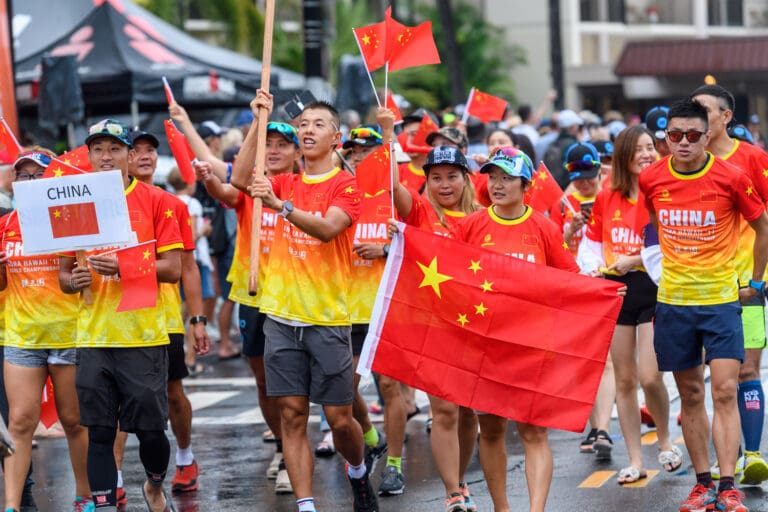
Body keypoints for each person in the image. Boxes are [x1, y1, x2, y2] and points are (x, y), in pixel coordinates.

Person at [231, 90, 376, 512]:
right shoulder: (283, 180)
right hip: (280, 317)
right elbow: (240, 180)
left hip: (328, 319)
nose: (307, 130)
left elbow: (329, 229)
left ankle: (358, 471)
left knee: (339, 419)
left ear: (336, 137)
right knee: (292, 415)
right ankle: (307, 505)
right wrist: (259, 121)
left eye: (317, 125)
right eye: (302, 125)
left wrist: (281, 206)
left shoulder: (347, 187)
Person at [639, 99, 768, 512]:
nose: (682, 143)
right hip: (674, 304)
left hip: (721, 302)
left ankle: (728, 485)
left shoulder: (732, 177)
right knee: (691, 394)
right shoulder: (652, 178)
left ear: (707, 135)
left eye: (692, 135)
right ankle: (702, 485)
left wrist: (755, 282)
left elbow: (762, 227)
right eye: (673, 135)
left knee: (727, 390)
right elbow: (655, 224)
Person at [59, 119, 185, 511]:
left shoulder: (157, 201)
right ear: (89, 155)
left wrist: (124, 267)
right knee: (97, 431)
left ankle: (153, 483)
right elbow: (64, 275)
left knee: (151, 432)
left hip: (142, 336)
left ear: (131, 156)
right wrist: (73, 278)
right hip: (94, 338)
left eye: (114, 149)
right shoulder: (76, 203)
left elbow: (174, 268)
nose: (105, 157)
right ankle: (103, 502)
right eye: (97, 149)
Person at [450, 146, 582, 512]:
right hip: (485, 346)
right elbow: (451, 276)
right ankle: (502, 508)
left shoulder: (543, 226)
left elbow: (568, 277)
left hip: (533, 347)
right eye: (492, 176)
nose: (497, 184)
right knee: (491, 431)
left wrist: (599, 293)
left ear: (525, 184)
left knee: (533, 431)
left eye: (507, 177)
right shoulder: (471, 226)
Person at [198, 117, 304, 496]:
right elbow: (227, 189)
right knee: (263, 380)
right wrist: (258, 120)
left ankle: (296, 453)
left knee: (293, 382)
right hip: (253, 296)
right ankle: (281, 446)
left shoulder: (305, 187)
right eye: (268, 144)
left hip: (296, 298)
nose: (274, 150)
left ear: (298, 152)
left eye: (283, 144)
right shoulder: (250, 186)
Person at [578, 125, 680, 484]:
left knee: (651, 377)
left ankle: (666, 441)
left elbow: (669, 247)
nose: (646, 154)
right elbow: (591, 245)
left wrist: (634, 259)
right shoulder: (608, 197)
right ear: (623, 156)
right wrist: (593, 270)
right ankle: (635, 460)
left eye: (650, 147)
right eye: (637, 149)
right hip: (617, 292)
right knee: (624, 379)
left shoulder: (665, 192)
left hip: (654, 289)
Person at [113, 131, 210, 504]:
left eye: (151, 151)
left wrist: (197, 318)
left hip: (164, 316)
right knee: (119, 401)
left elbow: (187, 267)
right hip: (117, 317)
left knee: (173, 393)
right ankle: (115, 476)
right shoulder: (108, 204)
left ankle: (185, 458)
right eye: (135, 151)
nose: (144, 156)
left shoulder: (173, 204)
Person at [0, 150, 93, 512]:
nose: (30, 182)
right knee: (20, 423)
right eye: (23, 176)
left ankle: (84, 496)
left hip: (68, 335)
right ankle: (11, 506)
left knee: (74, 422)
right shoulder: (5, 225)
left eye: (38, 175)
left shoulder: (72, 224)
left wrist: (79, 278)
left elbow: (74, 280)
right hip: (21, 338)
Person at [392, 145, 480, 512]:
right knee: (444, 411)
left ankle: (460, 478)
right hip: (432, 328)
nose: (444, 185)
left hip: (474, 329)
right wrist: (387, 132)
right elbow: (391, 185)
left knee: (469, 412)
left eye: (452, 176)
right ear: (426, 181)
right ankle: (452, 491)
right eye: (436, 177)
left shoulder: (484, 219)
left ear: (466, 179)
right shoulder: (420, 212)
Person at [691, 84, 768, 487]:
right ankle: (728, 453)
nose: (698, 120)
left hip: (746, 287)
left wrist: (756, 279)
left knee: (747, 369)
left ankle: (752, 455)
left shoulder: (753, 159)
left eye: (705, 111)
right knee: (713, 377)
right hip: (698, 290)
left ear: (725, 117)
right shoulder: (684, 163)